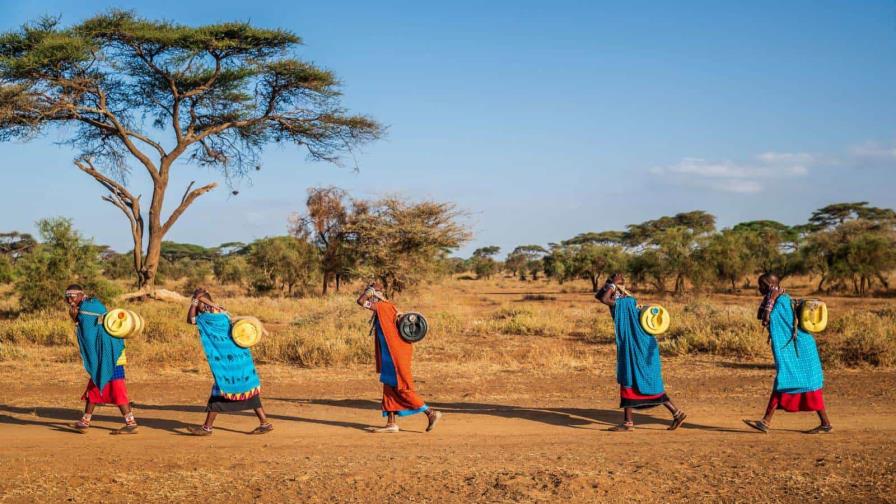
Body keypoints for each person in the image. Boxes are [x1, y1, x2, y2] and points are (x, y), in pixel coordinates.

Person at [743, 274, 832, 434]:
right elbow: (760, 314)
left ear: (768, 285)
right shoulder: (777, 299)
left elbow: (766, 318)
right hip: (794, 349)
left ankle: (766, 421)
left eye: (761, 285)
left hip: (801, 349)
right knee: (791, 382)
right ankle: (766, 421)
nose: (759, 288)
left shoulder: (782, 301)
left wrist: (772, 298)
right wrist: (770, 298)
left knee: (798, 384)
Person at [597, 273, 687, 431]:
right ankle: (675, 414)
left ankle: (629, 423)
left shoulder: (623, 303)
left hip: (638, 349)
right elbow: (600, 296)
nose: (609, 291)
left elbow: (604, 299)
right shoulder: (626, 303)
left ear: (616, 291)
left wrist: (613, 284)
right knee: (638, 382)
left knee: (632, 380)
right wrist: (611, 282)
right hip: (639, 347)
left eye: (612, 289)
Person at [356, 282, 442, 433]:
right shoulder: (386, 308)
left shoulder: (384, 307)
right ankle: (391, 423)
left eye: (372, 293)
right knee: (389, 387)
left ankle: (431, 413)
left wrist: (368, 293)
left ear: (376, 294)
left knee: (403, 388)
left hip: (396, 355)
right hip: (389, 355)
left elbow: (361, 301)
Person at [185, 288, 273, 436]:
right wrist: (198, 299)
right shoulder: (223, 312)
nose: (196, 306)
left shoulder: (207, 318)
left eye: (197, 303)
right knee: (247, 388)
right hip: (241, 358)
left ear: (202, 304)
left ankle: (207, 428)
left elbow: (190, 320)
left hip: (228, 363)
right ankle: (264, 422)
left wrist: (194, 302)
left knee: (221, 389)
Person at [65, 284, 138, 434]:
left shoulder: (86, 308)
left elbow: (87, 333)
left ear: (80, 295)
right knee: (94, 386)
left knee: (118, 390)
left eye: (72, 296)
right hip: (105, 354)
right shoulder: (90, 305)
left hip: (111, 356)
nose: (70, 300)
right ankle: (85, 421)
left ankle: (131, 423)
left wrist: (76, 319)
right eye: (67, 297)